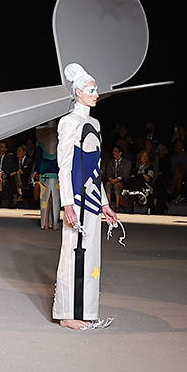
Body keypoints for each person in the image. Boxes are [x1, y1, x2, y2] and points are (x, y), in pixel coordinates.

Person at [53, 64, 118, 330]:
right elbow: (65, 165)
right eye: (91, 89)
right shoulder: (68, 122)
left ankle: (86, 310)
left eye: (96, 89)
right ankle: (68, 313)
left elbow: (96, 169)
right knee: (72, 252)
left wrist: (104, 202)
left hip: (91, 198)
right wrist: (67, 203)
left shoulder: (94, 123)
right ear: (78, 92)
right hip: (77, 199)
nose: (96, 93)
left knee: (91, 254)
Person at [34, 123, 59, 228]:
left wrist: (36, 171)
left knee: (45, 198)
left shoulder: (40, 137)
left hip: (44, 171)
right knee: (55, 198)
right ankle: (55, 223)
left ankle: (45, 223)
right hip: (56, 170)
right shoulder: (59, 137)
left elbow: (38, 156)